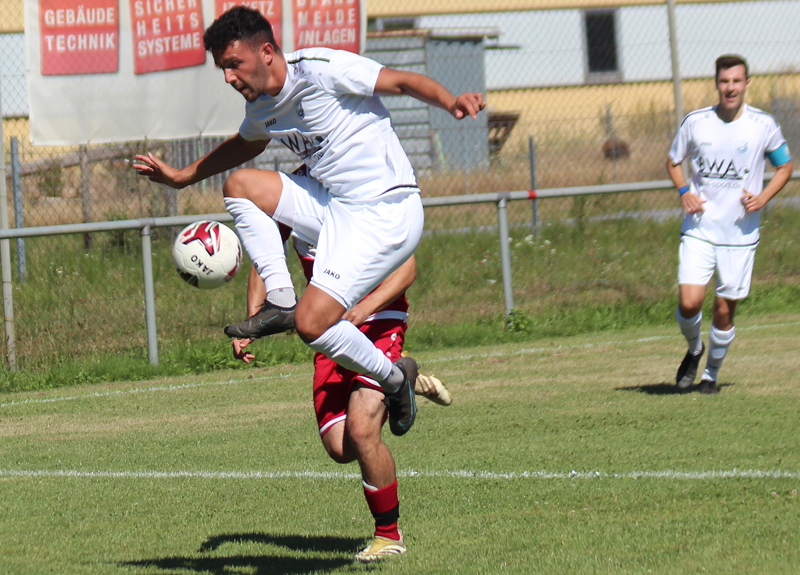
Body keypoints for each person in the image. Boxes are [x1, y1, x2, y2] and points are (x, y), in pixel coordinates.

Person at [134, 6, 484, 435]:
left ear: (266, 52)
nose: (228, 77)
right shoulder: (261, 107)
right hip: (336, 208)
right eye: (222, 68)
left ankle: (395, 380)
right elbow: (245, 145)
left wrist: (451, 101)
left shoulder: (321, 68)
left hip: (386, 209)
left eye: (234, 64)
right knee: (240, 185)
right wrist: (182, 177)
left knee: (312, 323)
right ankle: (281, 299)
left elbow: (400, 80)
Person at [231, 220, 451, 562]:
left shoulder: (358, 194)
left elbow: (406, 267)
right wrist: (254, 320)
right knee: (340, 447)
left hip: (379, 320)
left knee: (362, 431)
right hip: (329, 329)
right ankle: (401, 378)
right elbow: (264, 255)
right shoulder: (291, 199)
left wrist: (363, 309)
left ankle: (388, 536)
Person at [667, 54, 793, 393]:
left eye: (737, 81)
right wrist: (684, 192)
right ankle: (694, 350)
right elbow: (673, 161)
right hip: (700, 228)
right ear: (716, 84)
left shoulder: (762, 125)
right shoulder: (696, 122)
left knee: (723, 312)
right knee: (689, 303)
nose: (730, 87)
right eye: (724, 81)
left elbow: (784, 166)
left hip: (739, 234)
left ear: (747, 84)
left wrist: (763, 198)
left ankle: (711, 375)